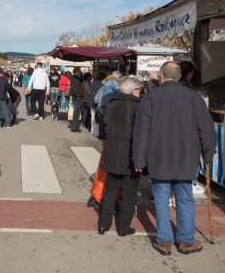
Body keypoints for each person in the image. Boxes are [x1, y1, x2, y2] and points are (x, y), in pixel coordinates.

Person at [132, 61, 217, 256]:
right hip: (186, 155)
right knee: (185, 197)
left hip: (159, 155)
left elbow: (141, 132)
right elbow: (207, 129)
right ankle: (186, 241)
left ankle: (164, 242)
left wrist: (138, 160)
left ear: (161, 76)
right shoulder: (194, 98)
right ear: (179, 76)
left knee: (161, 197)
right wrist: (208, 153)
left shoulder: (150, 98)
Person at [98, 77, 142, 237]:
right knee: (130, 193)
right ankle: (123, 227)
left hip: (113, 151)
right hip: (131, 154)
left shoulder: (110, 104)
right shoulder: (139, 106)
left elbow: (104, 126)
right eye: (139, 89)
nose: (140, 91)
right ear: (133, 90)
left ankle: (103, 225)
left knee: (110, 189)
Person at [88, 72, 107, 137]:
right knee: (98, 117)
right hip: (98, 101)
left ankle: (92, 130)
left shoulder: (93, 82)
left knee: (93, 116)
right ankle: (96, 132)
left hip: (91, 101)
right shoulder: (101, 83)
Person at [68, 67, 84, 133]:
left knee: (77, 112)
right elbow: (75, 88)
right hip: (77, 97)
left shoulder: (76, 78)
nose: (81, 72)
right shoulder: (75, 78)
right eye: (80, 70)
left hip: (77, 96)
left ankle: (75, 126)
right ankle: (74, 127)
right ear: (77, 71)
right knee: (76, 113)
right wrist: (77, 96)